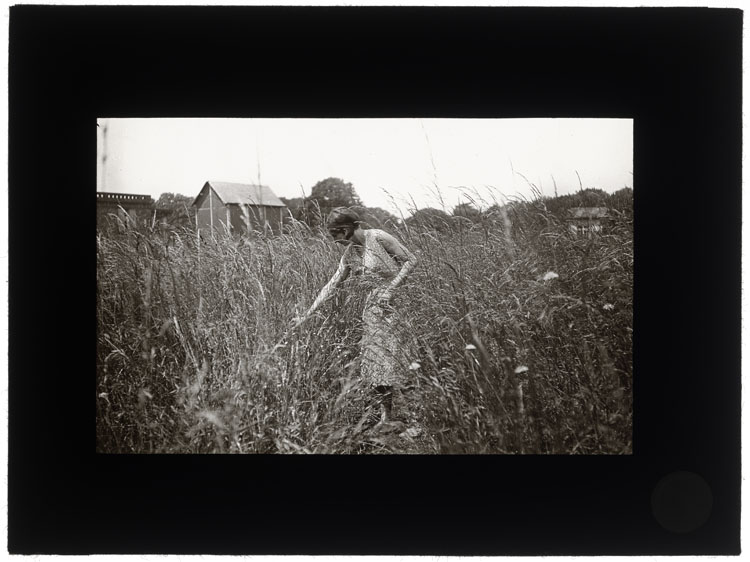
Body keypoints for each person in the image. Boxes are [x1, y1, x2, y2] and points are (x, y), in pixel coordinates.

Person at [292, 207, 418, 429]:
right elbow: (331, 285)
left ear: (347, 229)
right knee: (378, 364)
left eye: (335, 235)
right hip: (373, 311)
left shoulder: (378, 237)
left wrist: (391, 289)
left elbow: (410, 261)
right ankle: (386, 419)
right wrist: (307, 314)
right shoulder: (350, 255)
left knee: (402, 360)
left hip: (396, 306)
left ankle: (417, 420)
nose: (335, 241)